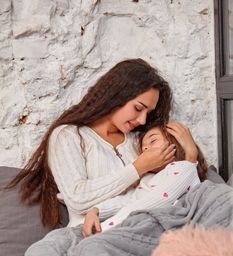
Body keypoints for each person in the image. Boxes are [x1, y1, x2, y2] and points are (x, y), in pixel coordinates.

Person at [7, 58, 198, 235]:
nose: (142, 120)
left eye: (148, 113)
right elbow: (79, 201)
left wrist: (190, 155)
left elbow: (166, 187)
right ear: (117, 95)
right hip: (90, 236)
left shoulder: (140, 141)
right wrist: (138, 168)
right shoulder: (69, 136)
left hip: (142, 230)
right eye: (138, 108)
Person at [83, 122, 207, 233]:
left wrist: (191, 153)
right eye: (143, 148)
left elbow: (157, 200)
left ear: (177, 143)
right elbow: (130, 200)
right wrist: (97, 210)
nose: (145, 148)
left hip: (154, 228)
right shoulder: (148, 178)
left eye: (153, 141)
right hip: (129, 224)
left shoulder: (183, 169)